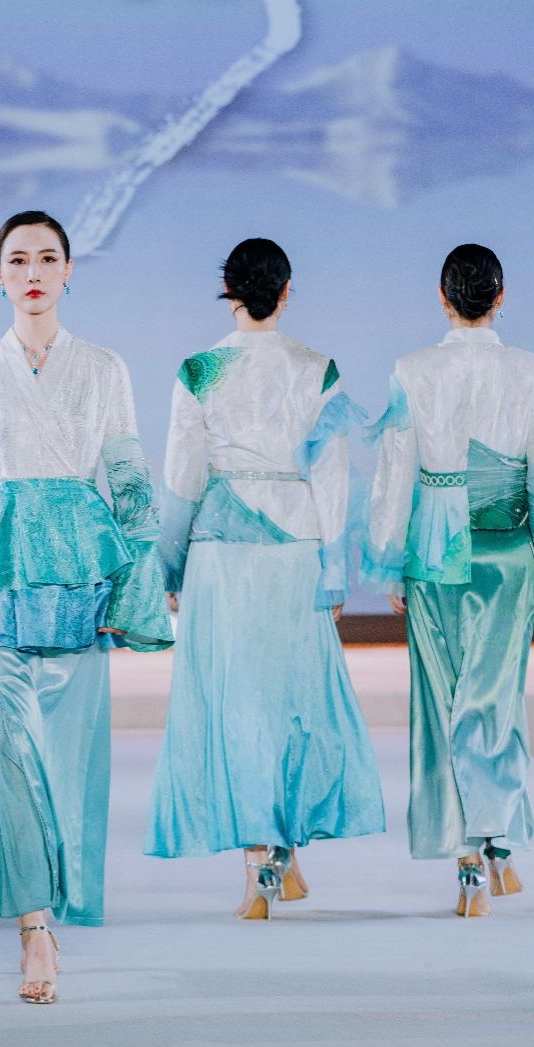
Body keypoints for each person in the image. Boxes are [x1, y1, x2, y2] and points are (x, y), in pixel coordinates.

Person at [0, 210, 172, 1001]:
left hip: (77, 573)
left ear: (70, 270)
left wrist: (137, 582)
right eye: (18, 259)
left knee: (68, 753)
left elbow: (129, 474)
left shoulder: (104, 366)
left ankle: (47, 900)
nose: (34, 271)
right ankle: (33, 925)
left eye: (48, 257)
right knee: (3, 739)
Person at [145, 238, 385, 918]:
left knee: (238, 704)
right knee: (292, 701)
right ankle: (285, 852)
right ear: (285, 292)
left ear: (229, 291)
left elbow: (183, 477)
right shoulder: (316, 369)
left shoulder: (199, 370)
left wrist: (169, 565)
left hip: (221, 552)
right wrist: (333, 571)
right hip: (296, 547)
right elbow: (332, 476)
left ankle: (260, 866)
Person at [365, 243, 533, 917]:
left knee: (441, 700)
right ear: (500, 297)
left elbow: (395, 468)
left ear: (443, 299)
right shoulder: (528, 371)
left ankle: (467, 860)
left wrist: (386, 555)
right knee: (497, 695)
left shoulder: (412, 370)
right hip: (508, 550)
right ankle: (498, 841)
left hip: (436, 544)